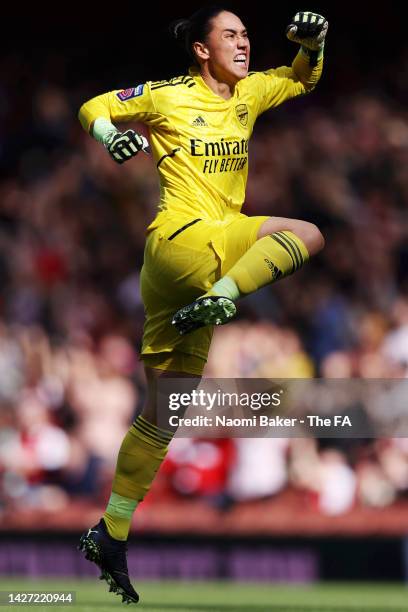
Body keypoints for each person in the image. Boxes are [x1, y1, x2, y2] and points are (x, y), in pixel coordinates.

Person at [77, 6, 328, 604]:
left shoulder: (249, 94)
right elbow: (95, 106)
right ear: (200, 48)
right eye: (231, 36)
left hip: (166, 274)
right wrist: (112, 135)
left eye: (246, 35)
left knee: (165, 411)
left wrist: (314, 46)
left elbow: (299, 77)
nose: (244, 44)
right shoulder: (166, 96)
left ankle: (109, 530)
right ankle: (224, 296)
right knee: (309, 233)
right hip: (193, 240)